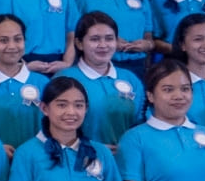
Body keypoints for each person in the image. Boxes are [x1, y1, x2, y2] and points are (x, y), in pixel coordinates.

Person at [60, 12, 144, 147]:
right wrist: (92, 148)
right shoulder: (64, 79)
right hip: (79, 158)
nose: (103, 45)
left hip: (124, 157)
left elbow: (140, 124)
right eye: (95, 39)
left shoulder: (130, 79)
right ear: (79, 43)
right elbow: (54, 127)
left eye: (109, 38)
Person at [0, 14, 44, 152]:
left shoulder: (43, 83)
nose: (12, 46)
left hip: (34, 164)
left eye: (18, 39)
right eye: (3, 40)